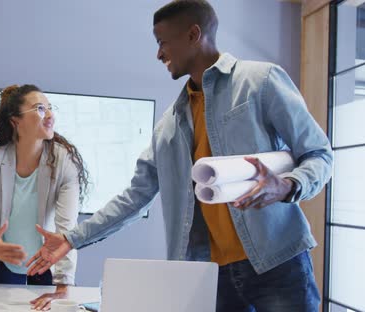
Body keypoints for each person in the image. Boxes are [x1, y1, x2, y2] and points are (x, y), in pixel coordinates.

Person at [26, 1, 333, 311]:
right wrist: (71, 239)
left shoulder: (261, 81)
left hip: (278, 265)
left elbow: (319, 154)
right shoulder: (169, 126)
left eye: (162, 42)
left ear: (193, 34)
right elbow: (134, 197)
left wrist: (288, 186)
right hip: (212, 277)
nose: (159, 54)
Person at [0, 84, 89, 311]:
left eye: (50, 108)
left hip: (48, 261)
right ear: (15, 120)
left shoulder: (64, 161)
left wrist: (63, 287)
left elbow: (67, 230)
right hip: (5, 263)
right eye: (40, 109)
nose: (50, 115)